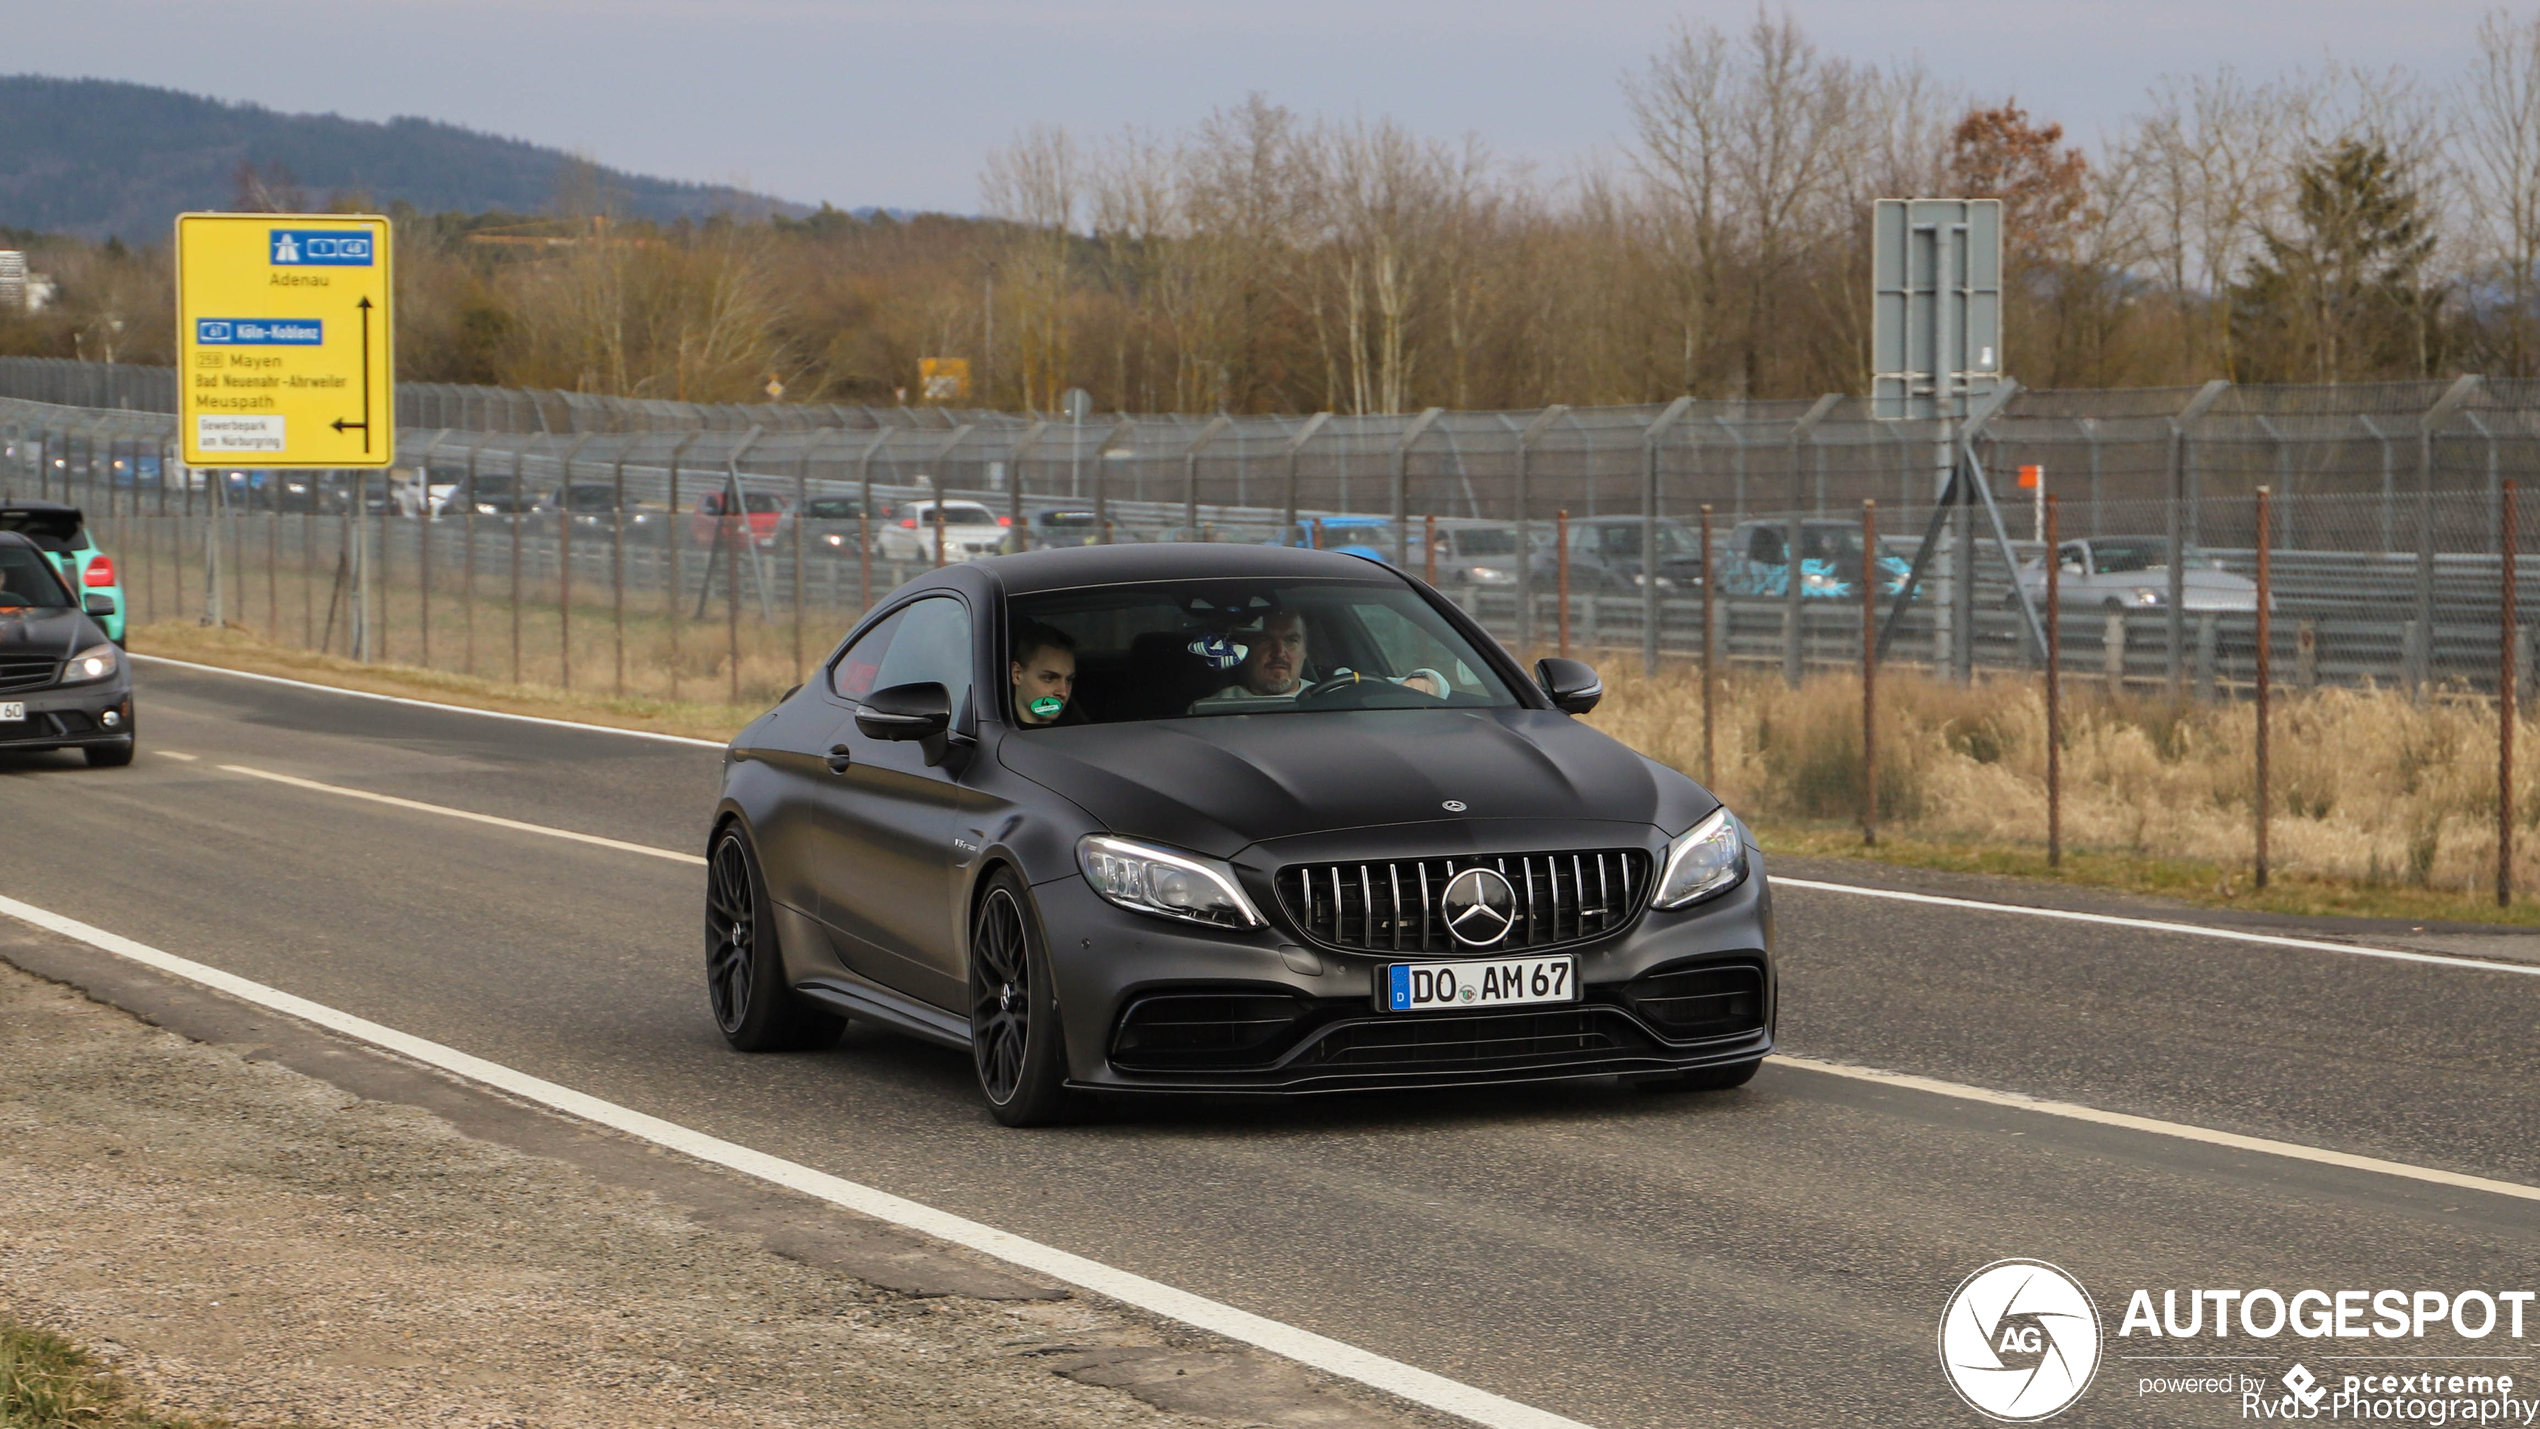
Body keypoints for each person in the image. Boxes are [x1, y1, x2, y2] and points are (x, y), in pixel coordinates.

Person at [1010, 620, 1081, 727]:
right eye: (1050, 678)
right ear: (1017, 674)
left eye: (1069, 680)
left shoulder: (1080, 730)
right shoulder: (994, 731)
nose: (1064, 692)